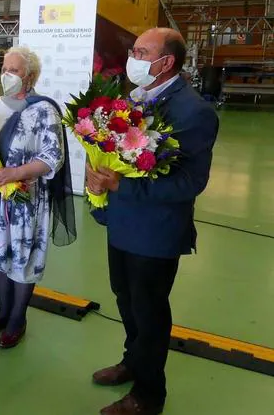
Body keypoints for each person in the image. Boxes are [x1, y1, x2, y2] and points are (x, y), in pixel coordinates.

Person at [87, 28, 219, 415]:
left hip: (156, 232)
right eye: (134, 50)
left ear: (166, 63)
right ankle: (133, 360)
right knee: (125, 300)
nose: (134, 57)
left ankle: (148, 394)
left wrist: (122, 186)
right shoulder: (132, 101)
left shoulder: (193, 112)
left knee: (149, 311)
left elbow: (190, 183)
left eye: (142, 52)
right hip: (122, 224)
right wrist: (101, 181)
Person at [0, 45, 76, 349]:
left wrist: (15, 174)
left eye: (13, 70)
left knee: (23, 257)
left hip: (24, 201)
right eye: (4, 68)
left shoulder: (44, 110)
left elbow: (52, 158)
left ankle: (18, 318)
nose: (6, 74)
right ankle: (3, 310)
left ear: (29, 77)